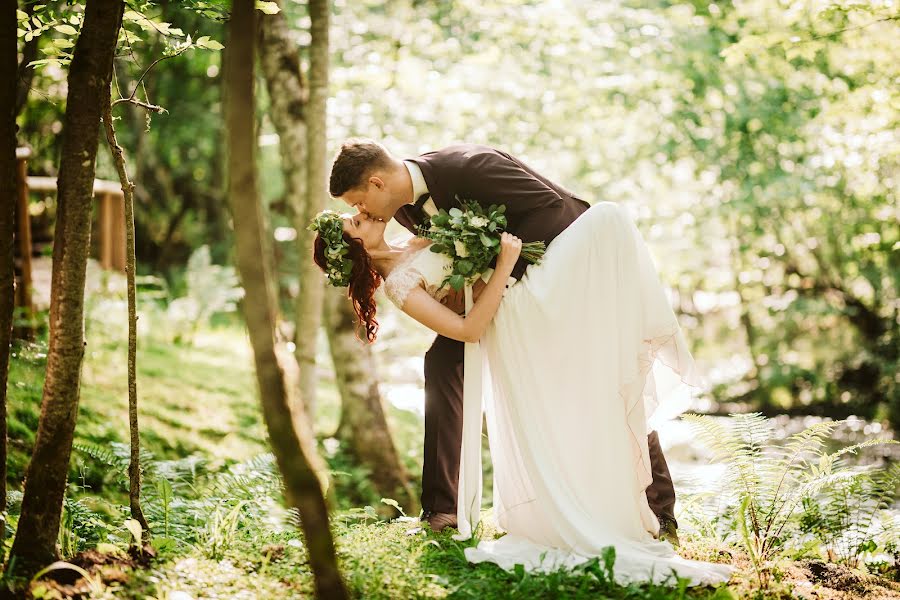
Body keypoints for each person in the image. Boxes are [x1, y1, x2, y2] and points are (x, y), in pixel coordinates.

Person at [311, 140, 735, 585]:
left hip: (559, 275)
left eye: (360, 203)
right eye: (357, 214)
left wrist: (508, 278)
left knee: (608, 379)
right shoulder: (403, 212)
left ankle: (656, 508)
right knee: (442, 365)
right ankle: (443, 511)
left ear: (377, 182)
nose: (365, 212)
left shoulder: (470, 167)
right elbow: (447, 276)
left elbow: (556, 214)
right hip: (498, 302)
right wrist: (470, 291)